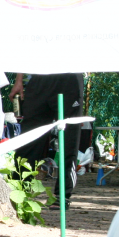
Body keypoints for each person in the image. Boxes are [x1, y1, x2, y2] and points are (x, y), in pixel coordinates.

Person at [9, 73, 84, 209]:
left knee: (69, 139)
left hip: (69, 78)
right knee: (29, 138)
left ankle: (63, 195)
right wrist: (19, 80)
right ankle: (20, 188)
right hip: (40, 77)